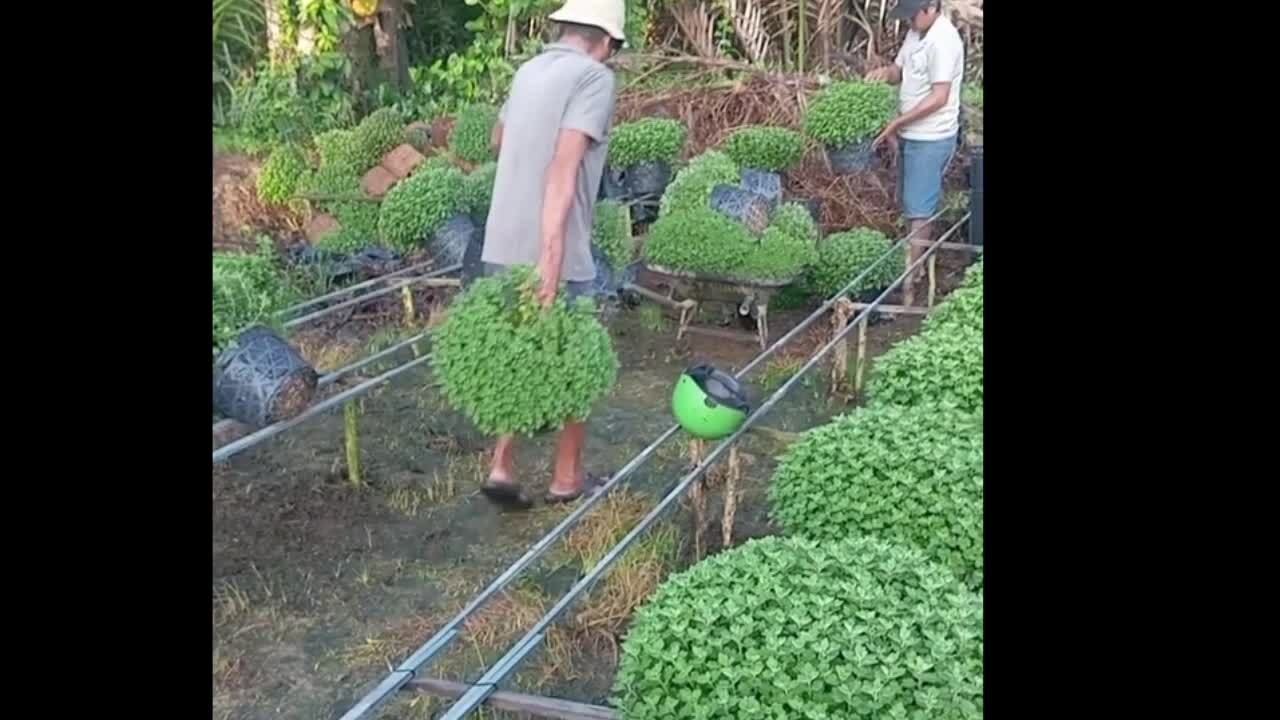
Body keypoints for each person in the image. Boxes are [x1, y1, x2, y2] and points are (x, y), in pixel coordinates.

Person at [477, 0, 626, 508]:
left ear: (563, 28)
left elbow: (498, 141)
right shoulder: (594, 79)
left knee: (520, 355)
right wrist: (553, 254)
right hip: (554, 248)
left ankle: (501, 465)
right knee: (576, 360)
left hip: (501, 242)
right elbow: (565, 167)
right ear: (607, 43)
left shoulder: (528, 71)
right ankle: (566, 478)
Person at [866, 0, 965, 305]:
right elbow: (900, 70)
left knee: (918, 211)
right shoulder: (916, 33)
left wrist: (896, 122)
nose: (908, 21)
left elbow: (939, 97)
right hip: (910, 134)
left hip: (930, 137)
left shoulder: (944, 40)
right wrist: (885, 73)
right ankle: (917, 269)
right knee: (910, 204)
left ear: (931, 8)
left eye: (912, 14)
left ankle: (908, 288)